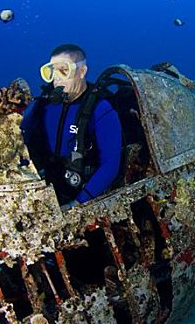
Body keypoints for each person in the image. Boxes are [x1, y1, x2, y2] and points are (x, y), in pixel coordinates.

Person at [21, 44, 122, 209]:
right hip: (46, 185)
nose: (57, 78)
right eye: (51, 71)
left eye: (63, 70)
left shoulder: (100, 110)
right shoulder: (43, 106)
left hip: (81, 190)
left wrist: (77, 204)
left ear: (82, 72)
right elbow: (22, 140)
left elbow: (110, 165)